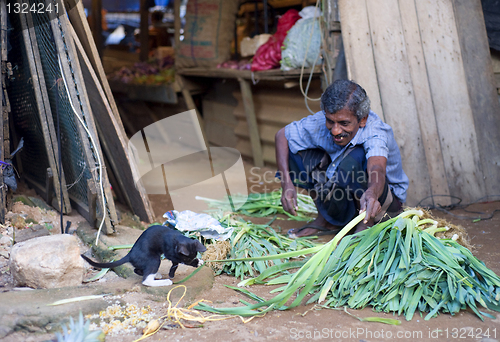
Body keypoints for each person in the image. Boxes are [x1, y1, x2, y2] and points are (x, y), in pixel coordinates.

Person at [275, 79, 409, 238]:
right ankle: (324, 219)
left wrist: (372, 193)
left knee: (356, 154)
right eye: (330, 121)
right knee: (297, 150)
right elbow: (282, 135)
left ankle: (365, 225)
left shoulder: (375, 131)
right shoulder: (322, 121)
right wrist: (287, 183)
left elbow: (377, 169)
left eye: (344, 123)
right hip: (346, 195)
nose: (335, 130)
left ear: (363, 119)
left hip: (382, 204)